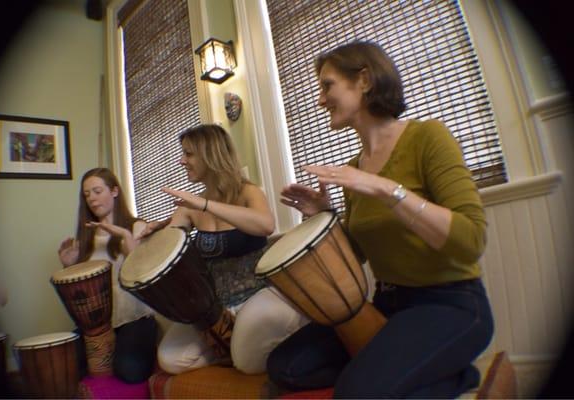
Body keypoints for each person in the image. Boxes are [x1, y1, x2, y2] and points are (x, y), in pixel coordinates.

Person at [267, 40, 494, 398]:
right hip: (387, 304)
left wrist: (386, 189)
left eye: (327, 86)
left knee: (355, 393)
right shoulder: (355, 171)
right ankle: (453, 376)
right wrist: (325, 216)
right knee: (284, 367)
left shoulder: (427, 137)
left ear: (365, 80)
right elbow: (358, 252)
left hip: (451, 303)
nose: (320, 99)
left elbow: (471, 241)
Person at [140, 124, 308, 375]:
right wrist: (151, 235)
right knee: (169, 358)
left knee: (246, 359)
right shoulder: (189, 206)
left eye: (188, 154)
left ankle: (255, 342)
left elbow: (266, 224)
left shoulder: (247, 192)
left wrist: (206, 204)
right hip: (218, 307)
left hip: (259, 293)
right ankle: (235, 346)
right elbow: (167, 252)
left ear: (210, 154)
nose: (181, 160)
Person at [58, 167, 157, 383]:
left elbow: (143, 275)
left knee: (129, 371)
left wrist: (126, 240)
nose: (92, 199)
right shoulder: (86, 237)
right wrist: (69, 266)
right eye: (87, 195)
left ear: (114, 191)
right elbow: (83, 291)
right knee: (66, 365)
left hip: (134, 317)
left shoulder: (136, 226)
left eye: (96, 191)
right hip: (98, 323)